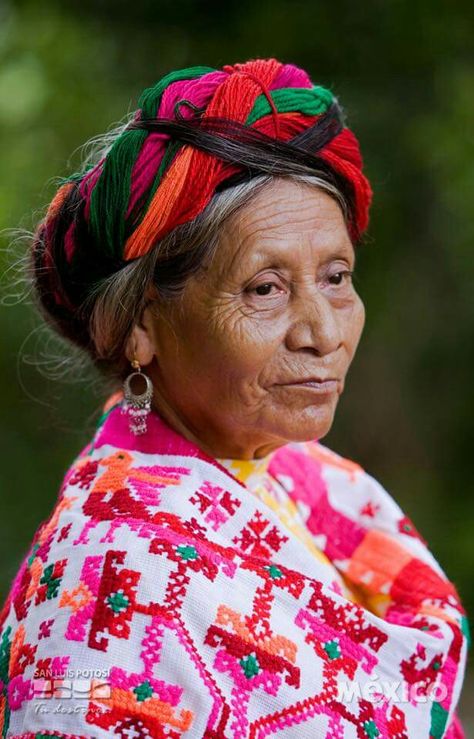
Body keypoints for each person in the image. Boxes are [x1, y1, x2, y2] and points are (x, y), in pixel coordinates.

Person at [0, 58, 467, 738]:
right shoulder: (104, 581)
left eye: (336, 276)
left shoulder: (317, 487)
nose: (323, 332)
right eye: (265, 289)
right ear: (138, 327)